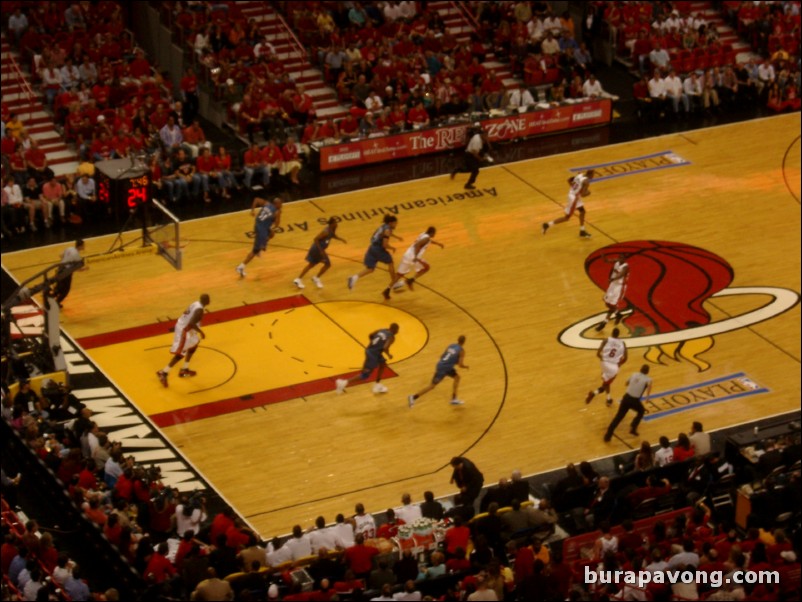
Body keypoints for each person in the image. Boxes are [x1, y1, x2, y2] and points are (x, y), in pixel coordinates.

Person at [156, 294, 210, 387]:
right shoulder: (199, 310)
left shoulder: (196, 303)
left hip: (185, 326)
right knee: (180, 354)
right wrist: (201, 332)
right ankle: (163, 372)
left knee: (194, 343)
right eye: (208, 299)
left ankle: (184, 369)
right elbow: (192, 323)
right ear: (207, 301)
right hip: (184, 330)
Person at [335, 323, 399, 394]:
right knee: (365, 375)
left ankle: (377, 384)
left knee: (383, 364)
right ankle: (343, 383)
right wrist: (389, 354)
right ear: (394, 330)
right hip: (373, 354)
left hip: (372, 350)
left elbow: (371, 335)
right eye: (397, 330)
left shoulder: (383, 330)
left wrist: (374, 344)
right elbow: (385, 347)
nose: (397, 332)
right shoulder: (391, 337)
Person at [408, 336, 469, 408]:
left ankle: (454, 399)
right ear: (464, 342)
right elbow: (460, 365)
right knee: (432, 386)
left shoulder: (451, 345)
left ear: (457, 340)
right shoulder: (462, 351)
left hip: (442, 365)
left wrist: (451, 361)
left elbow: (442, 356)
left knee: (457, 378)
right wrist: (466, 366)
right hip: (444, 369)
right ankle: (413, 397)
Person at [385, 226, 444, 299]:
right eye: (434, 234)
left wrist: (438, 243)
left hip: (406, 255)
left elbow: (428, 241)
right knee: (426, 268)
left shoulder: (423, 234)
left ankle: (387, 289)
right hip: (414, 258)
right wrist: (416, 256)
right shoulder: (426, 238)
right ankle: (412, 280)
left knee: (399, 275)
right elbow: (417, 245)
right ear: (431, 233)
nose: (434, 235)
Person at [347, 214, 402, 291]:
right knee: (390, 263)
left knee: (370, 269)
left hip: (372, 248)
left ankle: (353, 278)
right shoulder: (387, 230)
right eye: (395, 223)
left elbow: (387, 233)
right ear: (390, 223)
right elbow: (384, 245)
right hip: (378, 249)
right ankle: (394, 284)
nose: (396, 225)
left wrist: (397, 237)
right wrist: (392, 248)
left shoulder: (383, 226)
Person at [293, 217, 346, 289]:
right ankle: (316, 278)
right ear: (332, 224)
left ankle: (298, 279)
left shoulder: (331, 230)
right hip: (317, 250)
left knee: (311, 265)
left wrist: (341, 239)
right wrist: (321, 251)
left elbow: (333, 235)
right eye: (335, 222)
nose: (337, 224)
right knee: (327, 264)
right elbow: (315, 239)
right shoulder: (326, 232)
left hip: (318, 250)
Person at [235, 197, 282, 278]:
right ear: (276, 204)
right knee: (255, 251)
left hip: (258, 224)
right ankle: (241, 267)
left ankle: (260, 246)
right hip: (262, 229)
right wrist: (279, 215)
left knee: (272, 234)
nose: (282, 205)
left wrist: (253, 210)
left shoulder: (267, 203)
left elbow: (256, 199)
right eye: (281, 203)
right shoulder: (277, 212)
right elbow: (277, 225)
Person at [603, 364, 653, 441]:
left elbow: (626, 384)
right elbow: (649, 387)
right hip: (634, 400)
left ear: (640, 369)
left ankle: (608, 435)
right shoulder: (648, 379)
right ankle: (633, 427)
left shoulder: (634, 374)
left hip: (626, 398)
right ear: (647, 372)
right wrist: (647, 397)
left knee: (618, 417)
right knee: (641, 411)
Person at [542, 169, 595, 238]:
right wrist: (588, 193)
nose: (593, 176)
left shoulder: (580, 175)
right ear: (591, 175)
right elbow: (583, 195)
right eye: (593, 175)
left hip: (574, 195)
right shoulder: (586, 182)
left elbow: (569, 180)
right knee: (567, 218)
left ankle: (582, 231)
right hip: (574, 198)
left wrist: (574, 189)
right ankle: (547, 224)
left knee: (583, 211)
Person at [586, 327, 627, 406]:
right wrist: (619, 364)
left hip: (604, 364)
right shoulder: (622, 343)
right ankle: (593, 393)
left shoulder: (606, 340)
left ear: (612, 333)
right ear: (618, 335)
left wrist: (603, 359)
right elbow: (625, 358)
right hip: (613, 367)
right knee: (605, 384)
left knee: (606, 383)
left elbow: (598, 354)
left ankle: (608, 399)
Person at [595, 254, 633, 331]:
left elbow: (620, 275)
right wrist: (604, 257)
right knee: (607, 303)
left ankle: (604, 322)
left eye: (622, 257)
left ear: (625, 259)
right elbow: (607, 261)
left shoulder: (625, 267)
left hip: (619, 287)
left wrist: (613, 279)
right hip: (613, 284)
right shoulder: (617, 261)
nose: (620, 259)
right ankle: (618, 314)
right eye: (619, 257)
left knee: (612, 304)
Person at [450, 123, 492, 190]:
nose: (487, 136)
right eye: (486, 135)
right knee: (475, 170)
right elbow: (474, 153)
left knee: (469, 169)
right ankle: (468, 184)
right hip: (469, 155)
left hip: (471, 154)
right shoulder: (477, 141)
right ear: (483, 134)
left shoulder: (479, 136)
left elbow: (489, 147)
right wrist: (481, 159)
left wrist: (487, 141)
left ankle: (457, 170)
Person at [53, 239, 87, 308]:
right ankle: (56, 303)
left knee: (59, 286)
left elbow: (60, 255)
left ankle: (50, 298)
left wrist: (66, 260)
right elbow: (77, 268)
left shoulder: (69, 248)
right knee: (66, 290)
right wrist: (84, 269)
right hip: (67, 272)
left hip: (60, 268)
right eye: (83, 245)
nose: (84, 247)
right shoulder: (76, 255)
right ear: (80, 246)